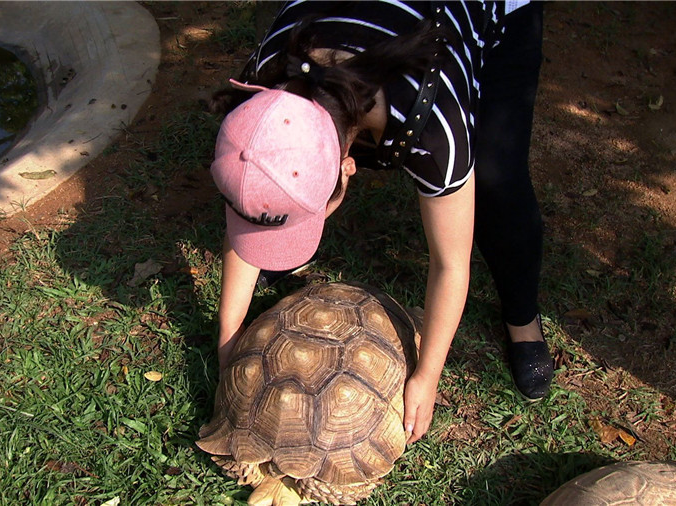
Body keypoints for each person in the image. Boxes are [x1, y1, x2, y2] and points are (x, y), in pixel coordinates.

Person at [209, 0, 553, 444]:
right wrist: (227, 346)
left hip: (494, 11)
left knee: (497, 178)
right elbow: (248, 199)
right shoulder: (266, 81)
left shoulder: (433, 128)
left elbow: (450, 264)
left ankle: (523, 320)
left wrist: (427, 375)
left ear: (346, 169)